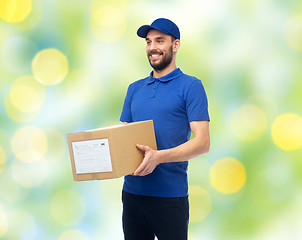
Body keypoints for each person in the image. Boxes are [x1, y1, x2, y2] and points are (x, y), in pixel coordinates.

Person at [120, 18, 210, 240]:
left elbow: (203, 143)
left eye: (159, 41)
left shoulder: (191, 86)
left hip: (169, 197)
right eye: (149, 42)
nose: (152, 48)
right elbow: (122, 140)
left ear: (175, 45)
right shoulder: (134, 89)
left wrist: (158, 157)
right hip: (132, 194)